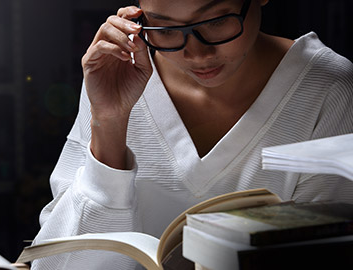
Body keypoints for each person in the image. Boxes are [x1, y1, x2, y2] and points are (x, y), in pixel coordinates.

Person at [31, 0, 353, 269]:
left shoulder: (326, 90)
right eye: (166, 29)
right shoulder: (115, 78)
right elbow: (59, 263)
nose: (197, 54)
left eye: (216, 21)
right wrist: (109, 123)